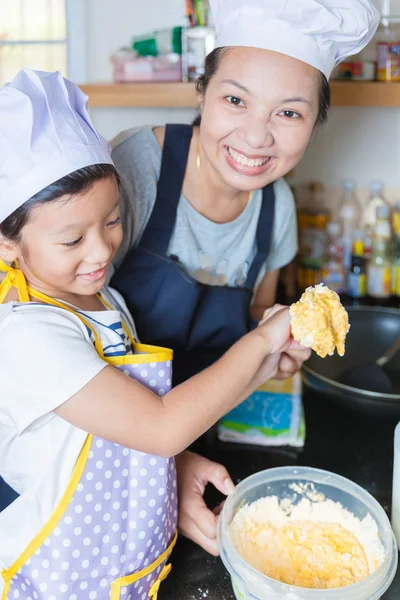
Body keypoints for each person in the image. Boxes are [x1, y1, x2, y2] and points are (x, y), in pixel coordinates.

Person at [0, 69, 309, 599]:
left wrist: (268, 360)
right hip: (56, 567)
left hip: (122, 554)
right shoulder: (27, 336)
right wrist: (260, 342)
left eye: (114, 221)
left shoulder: (106, 301)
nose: (100, 252)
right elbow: (161, 426)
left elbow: (118, 422)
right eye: (72, 239)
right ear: (8, 246)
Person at [110, 0, 379, 386]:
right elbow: (72, 320)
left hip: (208, 416)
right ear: (202, 92)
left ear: (315, 123)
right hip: (108, 428)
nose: (255, 137)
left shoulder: (277, 206)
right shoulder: (135, 166)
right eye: (235, 100)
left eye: (289, 113)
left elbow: (255, 316)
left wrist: (276, 352)